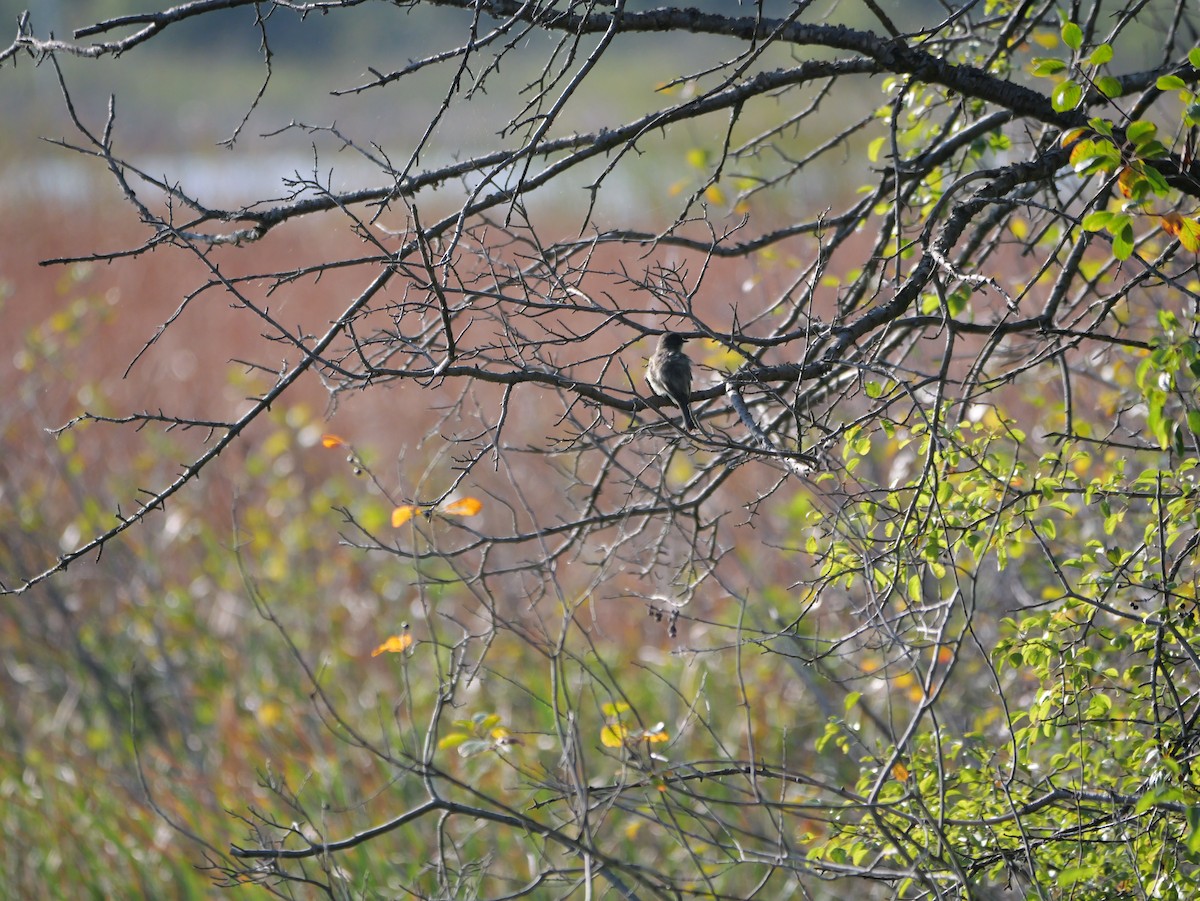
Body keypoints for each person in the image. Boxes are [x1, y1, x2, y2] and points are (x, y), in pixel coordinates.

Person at [645, 332, 696, 430]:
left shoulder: (655, 359)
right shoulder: (682, 358)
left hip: (669, 390)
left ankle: (688, 421)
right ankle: (689, 422)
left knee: (683, 404)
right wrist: (684, 395)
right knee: (684, 405)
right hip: (683, 392)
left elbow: (654, 379)